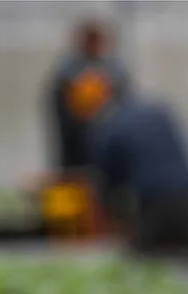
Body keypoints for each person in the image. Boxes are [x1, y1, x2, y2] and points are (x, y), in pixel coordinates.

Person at [68, 74, 188, 255]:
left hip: (155, 209)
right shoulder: (156, 110)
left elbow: (110, 188)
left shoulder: (103, 132)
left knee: (146, 266)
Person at [43, 20, 131, 235]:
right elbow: (59, 108)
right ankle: (74, 228)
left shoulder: (113, 69)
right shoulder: (67, 71)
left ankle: (106, 224)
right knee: (75, 183)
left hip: (106, 143)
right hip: (75, 141)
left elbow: (124, 103)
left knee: (106, 185)